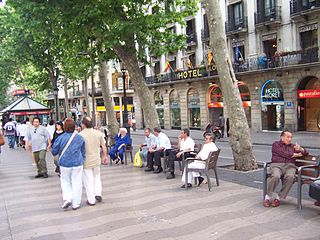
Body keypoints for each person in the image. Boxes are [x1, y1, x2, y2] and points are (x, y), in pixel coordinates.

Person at [263, 130, 308, 208]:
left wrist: (301, 149)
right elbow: (283, 153)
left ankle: (278, 198)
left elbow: (306, 153)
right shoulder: (275, 144)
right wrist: (295, 154)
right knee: (275, 176)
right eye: (288, 137)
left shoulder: (293, 146)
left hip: (290, 166)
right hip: (277, 165)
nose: (290, 139)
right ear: (282, 137)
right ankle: (268, 197)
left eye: (291, 137)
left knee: (291, 177)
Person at [51, 118, 86, 210]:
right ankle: (76, 203)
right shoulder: (79, 137)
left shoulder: (60, 138)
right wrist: (82, 159)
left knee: (65, 181)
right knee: (77, 182)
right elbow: (83, 151)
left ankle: (67, 198)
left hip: (64, 163)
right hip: (77, 163)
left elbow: (54, 151)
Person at [80, 116, 108, 206]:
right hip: (96, 159)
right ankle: (98, 193)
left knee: (88, 180)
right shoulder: (98, 133)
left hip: (86, 160)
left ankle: (91, 200)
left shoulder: (80, 135)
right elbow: (103, 146)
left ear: (83, 124)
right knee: (97, 177)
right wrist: (105, 156)